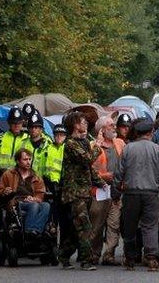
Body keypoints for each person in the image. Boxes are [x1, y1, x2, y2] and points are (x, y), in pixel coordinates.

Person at [114, 118, 159, 272]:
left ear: (137, 132)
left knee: (130, 226)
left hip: (131, 193)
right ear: (151, 132)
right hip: (151, 194)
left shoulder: (127, 149)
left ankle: (130, 258)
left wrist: (115, 193)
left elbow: (118, 173)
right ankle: (152, 257)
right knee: (150, 226)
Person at [57, 111, 105, 271]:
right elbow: (87, 159)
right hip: (74, 192)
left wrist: (100, 183)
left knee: (75, 227)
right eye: (81, 121)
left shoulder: (83, 142)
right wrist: (97, 145)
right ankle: (87, 260)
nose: (85, 124)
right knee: (84, 225)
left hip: (85, 191)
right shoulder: (70, 144)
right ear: (74, 125)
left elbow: (88, 168)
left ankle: (64, 254)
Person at [88, 115, 125, 266]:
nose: (114, 127)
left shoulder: (120, 143)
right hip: (99, 190)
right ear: (102, 130)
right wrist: (105, 176)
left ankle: (109, 253)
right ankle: (94, 254)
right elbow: (89, 168)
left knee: (114, 224)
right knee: (96, 224)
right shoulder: (93, 146)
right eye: (111, 125)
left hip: (116, 190)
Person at [0, 149, 50, 235]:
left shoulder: (36, 177)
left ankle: (36, 230)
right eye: (25, 159)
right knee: (34, 206)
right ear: (18, 161)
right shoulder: (9, 174)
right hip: (16, 203)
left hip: (30, 202)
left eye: (30, 159)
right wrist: (4, 191)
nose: (28, 162)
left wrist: (34, 199)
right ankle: (28, 231)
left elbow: (40, 194)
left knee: (46, 205)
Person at [0, 106, 29, 185]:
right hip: (2, 178)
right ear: (9, 122)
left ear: (22, 123)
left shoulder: (28, 139)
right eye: (14, 122)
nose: (16, 125)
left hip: (21, 180)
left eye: (19, 123)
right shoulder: (0, 138)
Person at [20, 111, 52, 176]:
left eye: (36, 127)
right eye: (31, 127)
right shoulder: (22, 144)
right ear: (28, 129)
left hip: (41, 182)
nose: (33, 129)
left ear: (41, 129)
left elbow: (51, 166)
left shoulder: (48, 146)